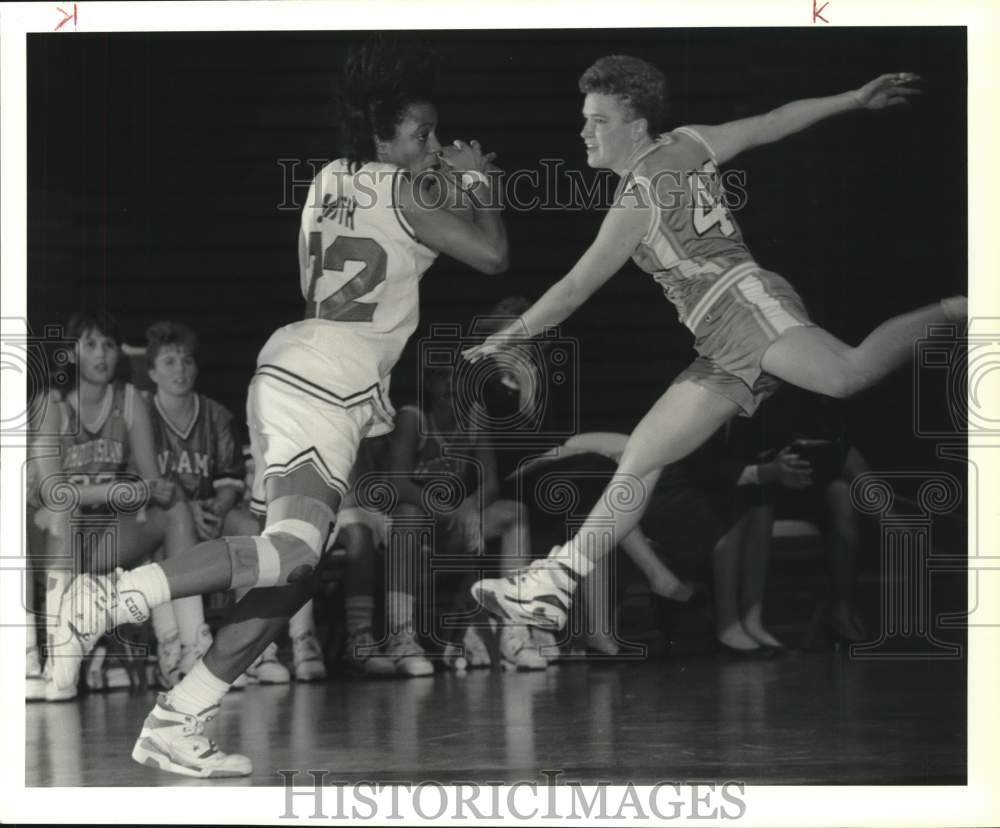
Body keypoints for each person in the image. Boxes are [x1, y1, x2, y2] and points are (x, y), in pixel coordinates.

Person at [49, 39, 508, 778]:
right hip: (327, 382)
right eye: (420, 133)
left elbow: (367, 248)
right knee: (293, 554)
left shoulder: (329, 176)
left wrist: (440, 178)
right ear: (384, 137)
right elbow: (491, 257)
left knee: (287, 573)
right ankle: (108, 598)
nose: (431, 144)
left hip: (290, 365)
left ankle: (179, 717)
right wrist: (480, 184)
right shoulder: (409, 189)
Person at [465, 56, 966, 631]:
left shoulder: (637, 198)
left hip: (742, 303)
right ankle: (554, 583)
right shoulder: (687, 142)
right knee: (642, 456)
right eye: (584, 119)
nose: (584, 131)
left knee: (846, 374)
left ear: (634, 125)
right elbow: (773, 121)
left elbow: (575, 288)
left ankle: (960, 308)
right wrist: (852, 97)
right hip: (721, 334)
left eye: (597, 120)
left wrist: (509, 334)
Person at [30, 311, 188, 700]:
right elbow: (53, 491)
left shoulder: (130, 399)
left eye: (110, 345)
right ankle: (56, 657)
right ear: (71, 352)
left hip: (104, 538)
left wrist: (154, 491)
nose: (101, 354)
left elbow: (151, 484)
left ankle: (184, 650)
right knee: (65, 511)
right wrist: (115, 491)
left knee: (175, 510)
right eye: (90, 344)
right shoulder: (51, 404)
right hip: (48, 541)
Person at [143, 320, 292, 686]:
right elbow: (142, 482)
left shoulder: (217, 414)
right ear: (152, 371)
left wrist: (220, 507)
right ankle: (175, 648)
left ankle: (254, 650)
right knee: (171, 527)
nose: (181, 370)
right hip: (164, 518)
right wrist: (187, 512)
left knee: (252, 531)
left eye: (187, 361)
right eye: (169, 362)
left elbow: (230, 477)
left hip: (211, 511)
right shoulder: (141, 416)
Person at [384, 364, 542, 672]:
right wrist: (453, 511)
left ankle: (515, 631)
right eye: (443, 376)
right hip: (412, 523)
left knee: (514, 513)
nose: (451, 384)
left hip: (453, 522)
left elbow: (491, 483)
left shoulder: (474, 418)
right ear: (428, 382)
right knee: (408, 514)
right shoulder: (413, 417)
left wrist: (470, 506)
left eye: (458, 377)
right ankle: (400, 637)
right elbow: (398, 484)